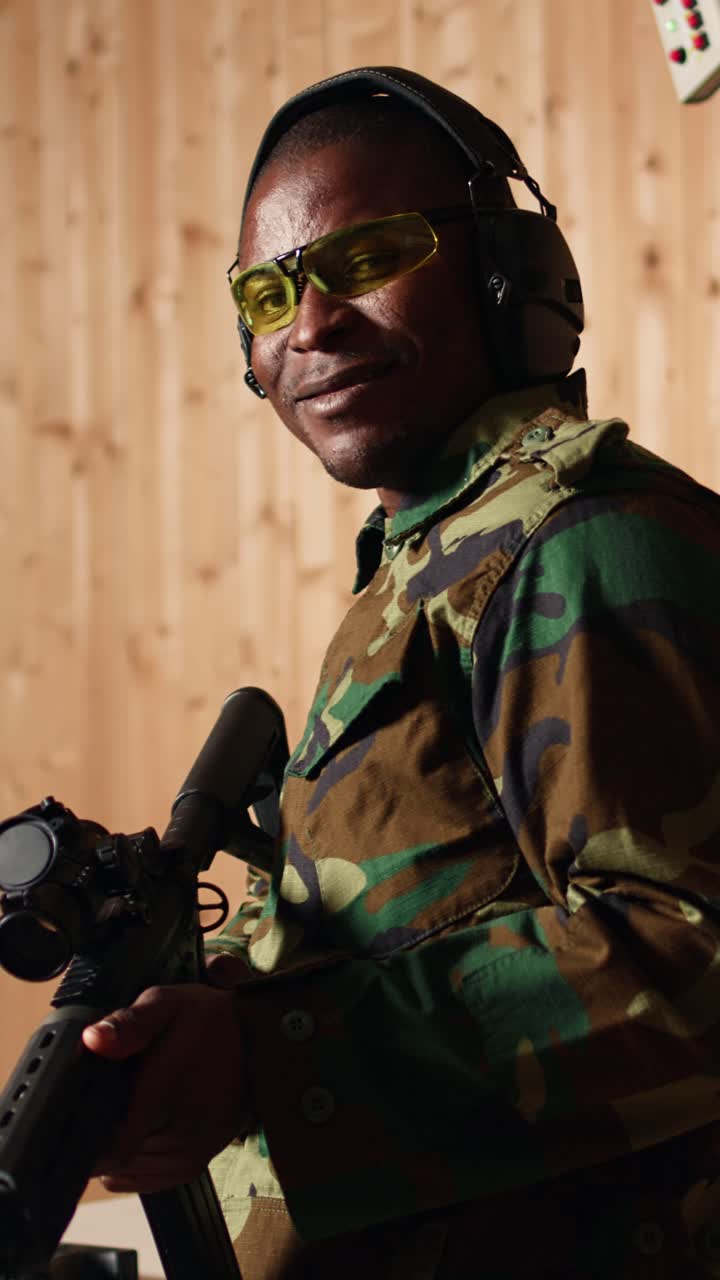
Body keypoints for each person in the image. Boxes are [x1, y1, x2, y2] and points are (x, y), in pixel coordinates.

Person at [83, 67, 720, 1278]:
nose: (310, 324)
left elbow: (689, 953)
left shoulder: (583, 537)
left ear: (507, 274)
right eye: (268, 293)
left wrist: (273, 1058)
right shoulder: (435, 564)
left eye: (367, 257)